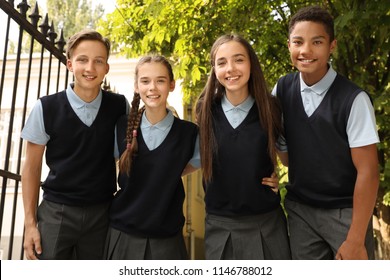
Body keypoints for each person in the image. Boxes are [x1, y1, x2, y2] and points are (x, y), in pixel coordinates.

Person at [273, 6, 380, 260]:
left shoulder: (354, 100)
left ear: (332, 46)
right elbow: (280, 146)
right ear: (289, 45)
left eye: (317, 42)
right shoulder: (282, 89)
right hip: (300, 212)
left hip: (345, 213)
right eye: (298, 42)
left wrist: (355, 240)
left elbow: (369, 171)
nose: (306, 50)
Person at [21, 30, 128, 260]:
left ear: (106, 68)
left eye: (98, 61)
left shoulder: (120, 107)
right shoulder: (46, 108)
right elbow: (31, 168)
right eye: (82, 60)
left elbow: (130, 157)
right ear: (70, 64)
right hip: (56, 212)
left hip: (103, 213)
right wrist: (30, 224)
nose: (90, 68)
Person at [195, 34, 291, 260]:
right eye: (222, 62)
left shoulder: (271, 107)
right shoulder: (205, 110)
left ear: (251, 64)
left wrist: (281, 180)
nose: (231, 69)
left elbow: (288, 158)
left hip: (267, 224)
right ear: (214, 70)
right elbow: (193, 159)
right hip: (220, 225)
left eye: (238, 60)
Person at [105, 55, 198, 260]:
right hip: (122, 236)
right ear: (137, 86)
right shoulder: (122, 126)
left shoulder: (189, 133)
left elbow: (195, 164)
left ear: (171, 85)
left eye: (161, 80)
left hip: (167, 240)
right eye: (145, 81)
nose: (152, 87)